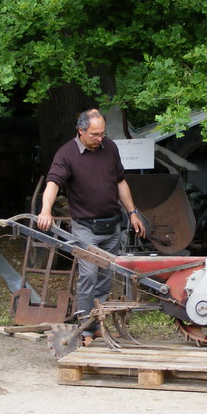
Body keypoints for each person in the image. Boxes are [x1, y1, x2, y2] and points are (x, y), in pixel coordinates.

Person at [37, 108, 146, 343]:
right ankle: (85, 327)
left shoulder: (110, 148)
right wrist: (46, 210)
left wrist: (133, 212)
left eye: (102, 134)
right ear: (81, 131)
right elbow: (53, 183)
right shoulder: (66, 154)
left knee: (106, 277)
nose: (100, 139)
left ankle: (100, 326)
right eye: (95, 134)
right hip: (86, 228)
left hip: (112, 225)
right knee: (88, 276)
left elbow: (120, 182)